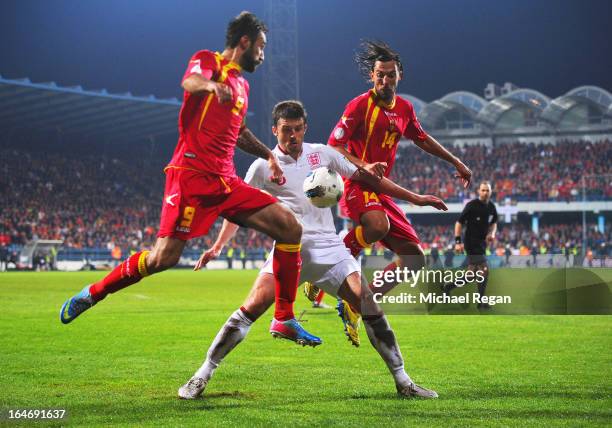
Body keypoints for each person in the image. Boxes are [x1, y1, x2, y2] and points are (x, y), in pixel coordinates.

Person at [59, 12, 320, 345]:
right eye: (261, 46)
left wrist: (268, 154)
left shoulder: (242, 84)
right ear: (245, 42)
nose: (263, 54)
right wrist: (212, 85)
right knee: (162, 258)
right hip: (191, 177)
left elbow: (239, 133)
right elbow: (190, 83)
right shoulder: (207, 61)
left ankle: (284, 318)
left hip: (225, 181)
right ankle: (94, 292)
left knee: (290, 227)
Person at [178, 100, 446, 399]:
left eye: (296, 129)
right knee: (250, 309)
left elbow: (370, 179)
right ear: (274, 130)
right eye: (284, 130)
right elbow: (237, 210)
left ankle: (403, 382)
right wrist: (216, 247)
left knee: (369, 306)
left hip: (332, 250)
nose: (291, 136)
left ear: (305, 128)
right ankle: (201, 375)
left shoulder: (323, 154)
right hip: (290, 253)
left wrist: (416, 198)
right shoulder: (261, 168)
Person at [328, 40, 472, 297]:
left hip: (381, 188)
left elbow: (422, 138)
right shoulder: (359, 105)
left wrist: (456, 162)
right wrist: (364, 165)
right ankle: (333, 257)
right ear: (372, 75)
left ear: (399, 76)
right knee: (377, 225)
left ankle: (361, 304)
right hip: (358, 182)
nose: (385, 81)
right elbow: (334, 145)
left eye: (390, 75)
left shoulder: (405, 109)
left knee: (415, 259)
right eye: (380, 75)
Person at [443, 181, 498, 309]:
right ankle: (481, 302)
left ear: (491, 192)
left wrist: (492, 233)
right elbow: (459, 223)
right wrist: (458, 241)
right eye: (483, 190)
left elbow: (494, 222)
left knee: (471, 275)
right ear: (479, 191)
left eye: (487, 190)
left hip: (482, 244)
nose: (485, 193)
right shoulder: (472, 206)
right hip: (471, 243)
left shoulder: (491, 207)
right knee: (484, 270)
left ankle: (448, 287)